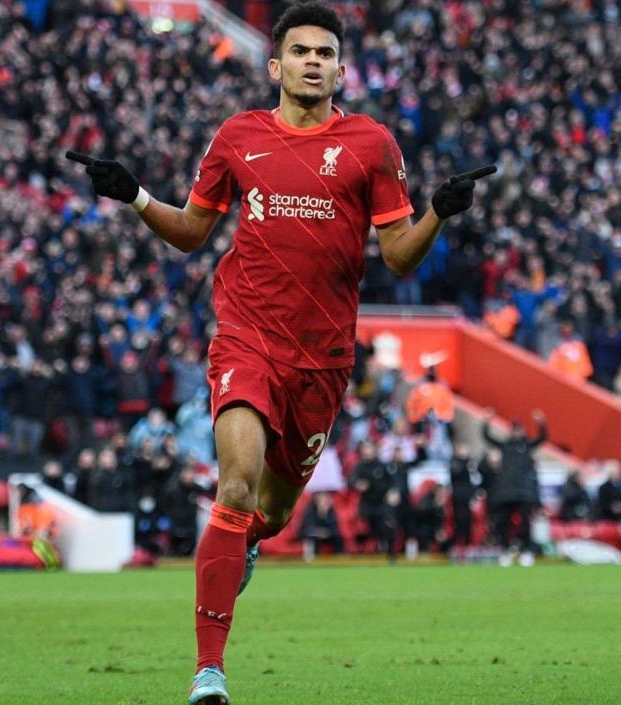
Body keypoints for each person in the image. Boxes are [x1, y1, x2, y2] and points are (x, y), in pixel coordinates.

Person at [67, 5, 494, 701]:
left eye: (326, 52)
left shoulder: (371, 144)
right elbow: (192, 232)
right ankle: (209, 670)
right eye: (301, 51)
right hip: (247, 334)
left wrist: (439, 211)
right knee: (233, 484)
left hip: (322, 360)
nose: (314, 62)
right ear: (276, 66)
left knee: (271, 509)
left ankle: (253, 539)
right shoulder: (239, 136)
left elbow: (399, 257)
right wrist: (136, 195)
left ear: (342, 69)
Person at [481, 409, 546, 561]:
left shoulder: (527, 445)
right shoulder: (505, 446)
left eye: (519, 429)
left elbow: (542, 438)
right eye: (514, 429)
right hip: (506, 492)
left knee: (525, 523)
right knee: (503, 523)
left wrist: (541, 423)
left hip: (523, 492)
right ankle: (505, 550)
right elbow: (487, 437)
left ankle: (526, 551)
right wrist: (486, 422)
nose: (516, 432)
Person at [299, 491, 343, 558]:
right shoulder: (310, 510)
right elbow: (308, 527)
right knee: (311, 539)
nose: (324, 502)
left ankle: (340, 556)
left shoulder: (331, 511)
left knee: (337, 537)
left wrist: (325, 514)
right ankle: (310, 557)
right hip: (313, 534)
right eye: (322, 500)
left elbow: (334, 527)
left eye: (326, 500)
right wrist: (319, 532)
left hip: (327, 534)